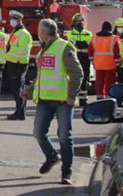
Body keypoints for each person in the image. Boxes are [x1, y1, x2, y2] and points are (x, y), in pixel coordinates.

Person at [20, 19, 83, 185]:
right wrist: (29, 91)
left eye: (39, 30)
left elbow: (77, 73)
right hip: (44, 100)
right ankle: (52, 157)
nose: (38, 33)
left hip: (63, 101)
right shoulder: (44, 50)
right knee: (38, 133)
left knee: (64, 136)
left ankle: (66, 172)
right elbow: (41, 76)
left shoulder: (64, 47)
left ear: (43, 32)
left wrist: (71, 95)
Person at [5, 11, 31, 121]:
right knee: (16, 89)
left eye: (14, 19)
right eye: (11, 19)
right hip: (13, 63)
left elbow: (24, 50)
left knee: (18, 89)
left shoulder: (23, 33)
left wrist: (10, 49)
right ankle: (19, 111)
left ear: (20, 20)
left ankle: (20, 113)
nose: (12, 21)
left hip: (19, 63)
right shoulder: (16, 32)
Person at [88, 21, 121, 99]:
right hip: (110, 65)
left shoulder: (94, 38)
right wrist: (117, 64)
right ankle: (108, 98)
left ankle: (99, 98)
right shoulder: (114, 39)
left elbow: (90, 52)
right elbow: (116, 53)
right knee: (109, 83)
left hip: (98, 65)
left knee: (99, 83)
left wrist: (93, 63)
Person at [66, 14, 93, 105]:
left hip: (85, 57)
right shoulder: (69, 33)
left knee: (84, 77)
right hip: (74, 56)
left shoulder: (88, 33)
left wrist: (77, 43)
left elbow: (87, 44)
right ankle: (71, 98)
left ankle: (83, 99)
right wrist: (80, 43)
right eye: (78, 21)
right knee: (73, 77)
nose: (81, 23)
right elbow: (72, 43)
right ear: (74, 22)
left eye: (82, 21)